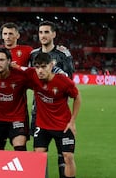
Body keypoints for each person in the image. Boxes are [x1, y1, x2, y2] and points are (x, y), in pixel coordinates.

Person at [29, 21, 75, 178]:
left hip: (58, 113)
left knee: (64, 153)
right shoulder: (33, 54)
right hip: (38, 111)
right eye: (41, 32)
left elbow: (69, 80)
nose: (43, 35)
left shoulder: (63, 54)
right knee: (39, 152)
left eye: (46, 32)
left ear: (53, 34)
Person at [27, 52, 81, 178]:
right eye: (37, 67)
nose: (40, 70)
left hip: (63, 126)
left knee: (68, 157)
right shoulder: (32, 75)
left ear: (51, 65)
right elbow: (18, 69)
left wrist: (72, 121)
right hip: (42, 125)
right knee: (38, 155)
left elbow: (77, 97)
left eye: (44, 67)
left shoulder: (63, 81)